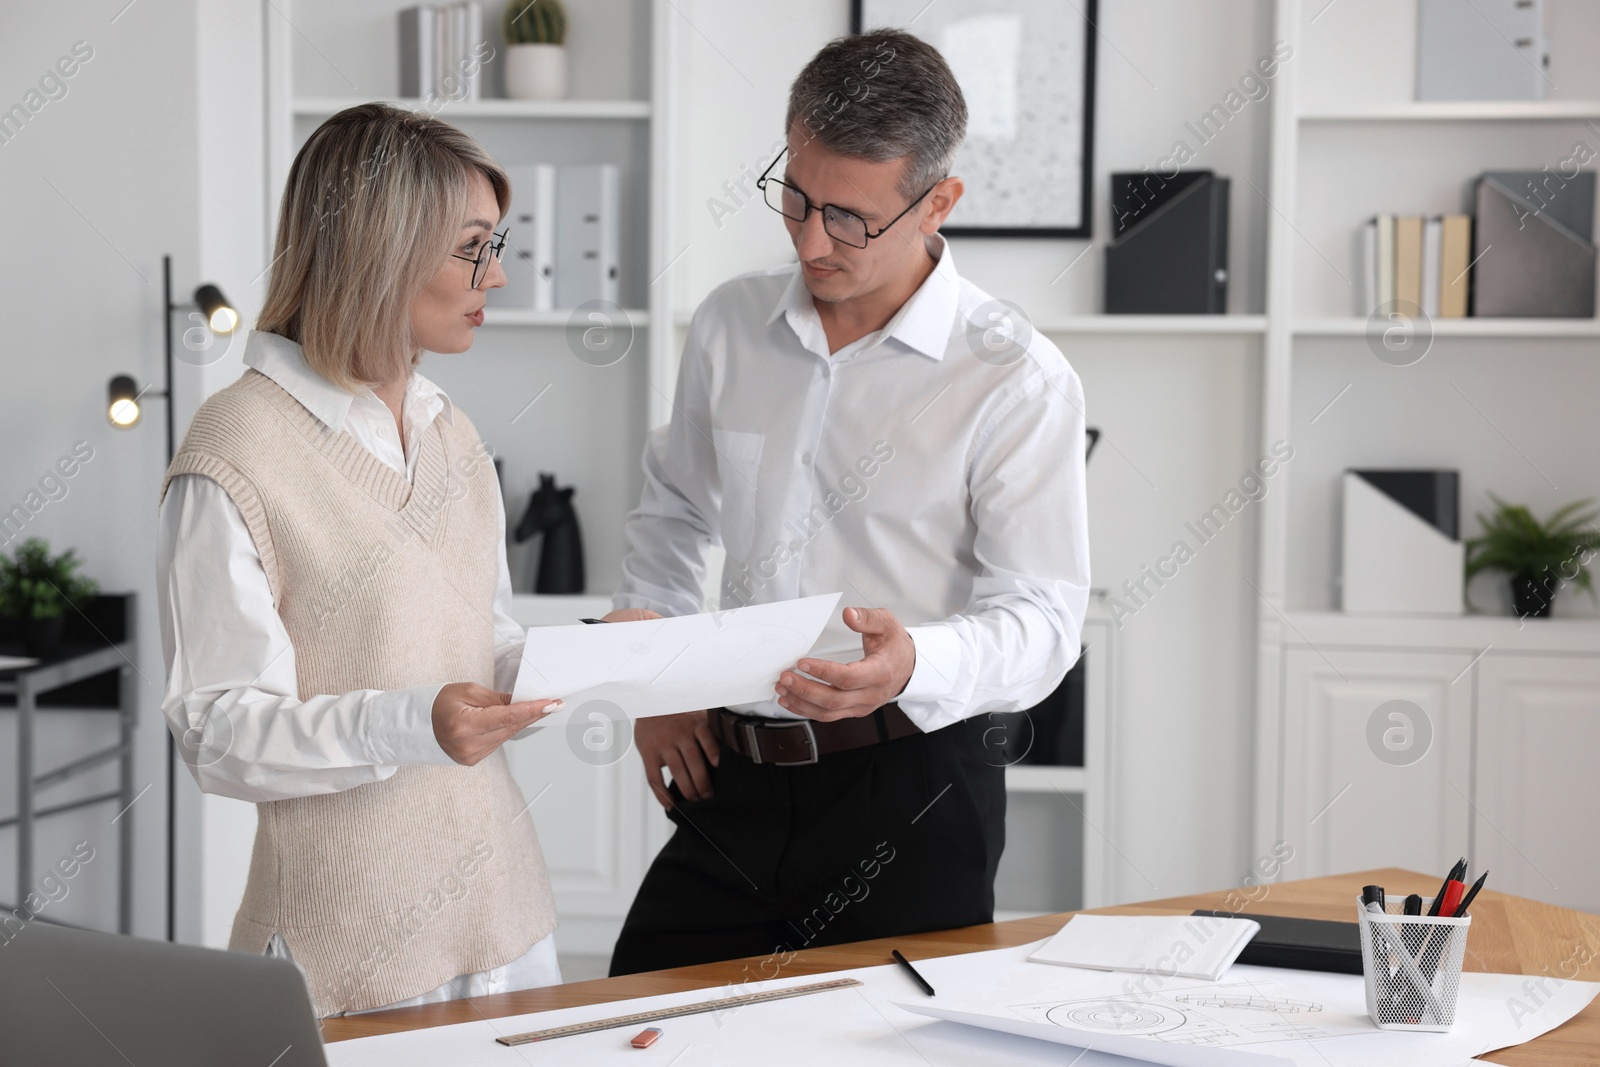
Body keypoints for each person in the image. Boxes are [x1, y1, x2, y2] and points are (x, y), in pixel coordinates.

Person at [606, 30, 1091, 976]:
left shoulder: (1015, 376)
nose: (809, 239)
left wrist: (914, 662)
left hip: (913, 790)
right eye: (793, 196)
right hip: (732, 773)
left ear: (938, 201)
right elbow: (671, 516)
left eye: (848, 216)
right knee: (626, 1022)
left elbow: (1045, 621)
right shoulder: (728, 326)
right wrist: (654, 680)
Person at [156, 103, 574, 1016]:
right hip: (344, 958)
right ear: (382, 248)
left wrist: (581, 663)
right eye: (472, 247)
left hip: (510, 924)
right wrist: (412, 723)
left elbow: (484, 640)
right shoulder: (235, 450)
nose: (495, 274)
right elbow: (219, 735)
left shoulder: (448, 430)